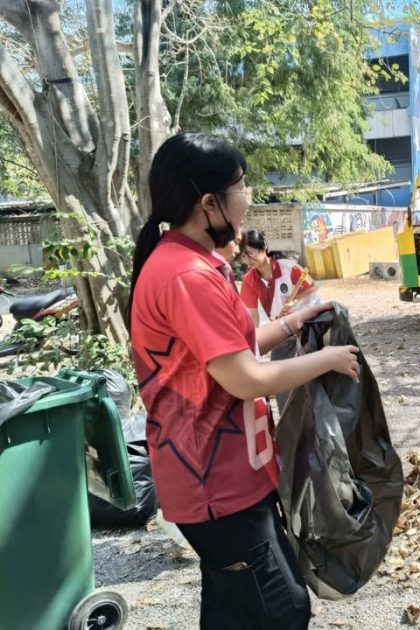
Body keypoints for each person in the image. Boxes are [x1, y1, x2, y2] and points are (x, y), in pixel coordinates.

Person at [128, 133, 360, 630]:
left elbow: (234, 350)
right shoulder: (186, 276)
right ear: (209, 204)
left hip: (230, 476)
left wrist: (294, 322)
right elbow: (247, 378)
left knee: (236, 607)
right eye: (241, 186)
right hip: (213, 483)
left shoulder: (193, 264)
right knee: (280, 610)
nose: (248, 197)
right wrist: (328, 360)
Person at [239, 229, 318, 326]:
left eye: (249, 254)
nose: (247, 260)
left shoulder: (289, 268)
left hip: (306, 321)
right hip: (282, 327)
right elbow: (253, 315)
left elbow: (313, 286)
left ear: (263, 248)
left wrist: (295, 299)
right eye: (243, 256)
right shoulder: (248, 280)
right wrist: (254, 334)